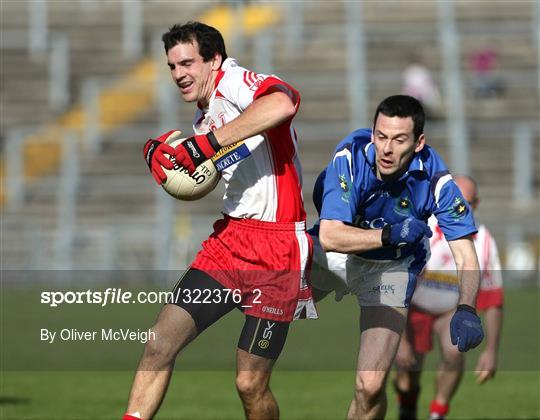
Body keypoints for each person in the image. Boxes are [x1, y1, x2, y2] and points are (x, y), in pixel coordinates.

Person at [124, 21, 317, 420]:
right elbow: (213, 170)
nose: (179, 74)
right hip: (230, 242)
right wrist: (170, 166)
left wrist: (207, 145)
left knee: (250, 383)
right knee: (159, 343)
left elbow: (283, 102)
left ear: (214, 60)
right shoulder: (203, 119)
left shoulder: (235, 82)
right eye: (172, 66)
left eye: (188, 62)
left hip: (278, 250)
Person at [308, 95, 484, 420]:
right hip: (333, 256)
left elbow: (465, 250)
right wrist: (389, 234)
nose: (386, 149)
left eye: (399, 139)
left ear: (419, 143)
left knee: (370, 386)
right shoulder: (350, 157)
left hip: (391, 271)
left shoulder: (436, 180)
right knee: (270, 320)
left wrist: (468, 307)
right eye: (381, 136)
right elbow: (331, 237)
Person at [393, 175, 504, 420]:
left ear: (476, 204)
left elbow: (493, 299)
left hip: (450, 310)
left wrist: (492, 350)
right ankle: (407, 402)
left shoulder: (484, 240)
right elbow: (392, 281)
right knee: (406, 368)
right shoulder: (423, 225)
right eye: (455, 202)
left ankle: (438, 412)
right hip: (411, 307)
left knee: (455, 351)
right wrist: (399, 340)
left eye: (467, 203)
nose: (460, 209)